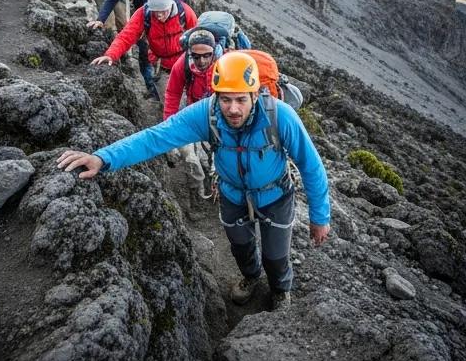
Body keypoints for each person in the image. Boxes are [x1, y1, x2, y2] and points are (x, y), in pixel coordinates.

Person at [58, 51, 331, 313]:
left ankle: (280, 289)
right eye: (225, 100)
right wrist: (103, 158)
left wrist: (320, 217)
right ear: (216, 96)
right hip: (232, 194)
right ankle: (250, 276)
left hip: (275, 196)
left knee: (276, 255)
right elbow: (156, 137)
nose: (233, 109)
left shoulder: (279, 116)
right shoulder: (207, 114)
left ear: (255, 95)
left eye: (240, 100)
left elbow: (311, 166)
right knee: (240, 245)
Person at [91, 0, 197, 98]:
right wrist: (110, 55)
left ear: (170, 4)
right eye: (156, 12)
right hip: (161, 66)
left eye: (163, 11)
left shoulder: (185, 13)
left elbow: (197, 38)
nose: (160, 15)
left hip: (184, 63)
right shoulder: (144, 14)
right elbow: (126, 36)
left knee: (191, 97)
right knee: (169, 99)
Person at [162, 28, 219, 216]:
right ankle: (196, 203)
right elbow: (172, 95)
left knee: (216, 162)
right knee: (191, 160)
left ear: (214, 51)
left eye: (206, 56)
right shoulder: (182, 66)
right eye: (196, 56)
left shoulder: (225, 65)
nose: (201, 61)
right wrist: (169, 134)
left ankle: (219, 196)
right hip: (192, 117)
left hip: (219, 121)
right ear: (189, 53)